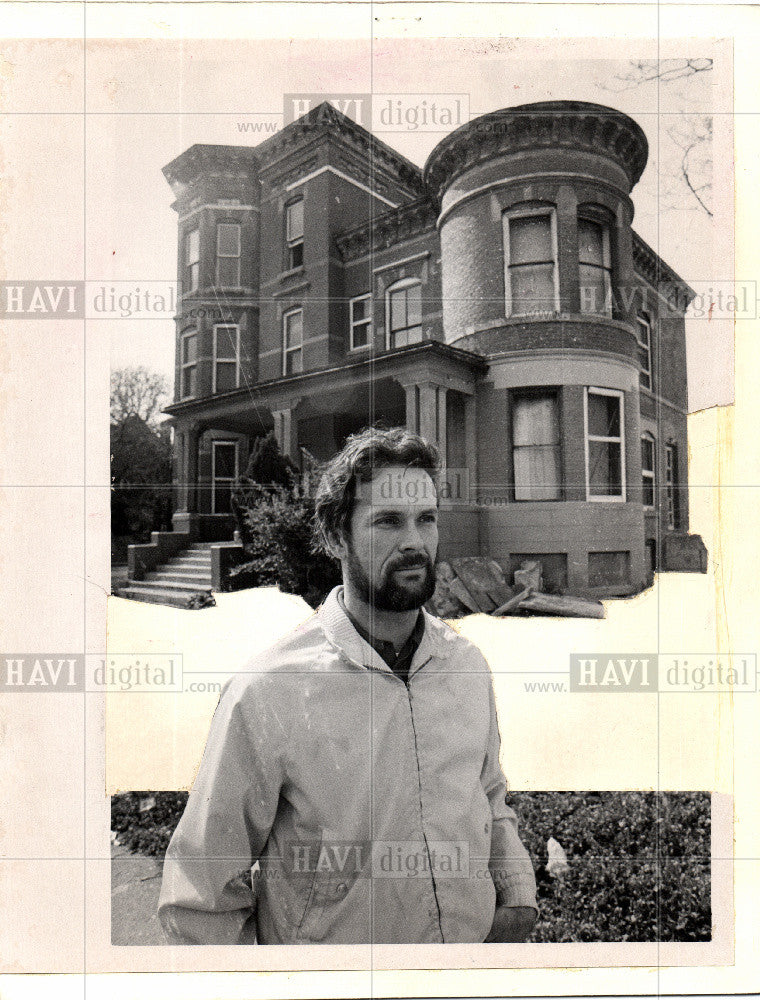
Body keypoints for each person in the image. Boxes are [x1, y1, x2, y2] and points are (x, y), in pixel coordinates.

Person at [158, 427, 537, 945]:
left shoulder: (466, 666)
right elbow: (201, 897)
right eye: (388, 521)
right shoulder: (269, 692)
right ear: (336, 536)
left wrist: (516, 896)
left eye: (427, 519)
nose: (415, 542)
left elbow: (490, 797)